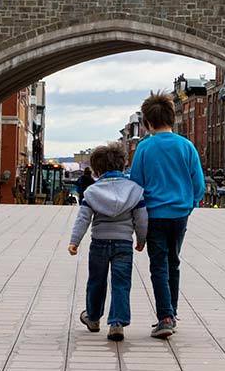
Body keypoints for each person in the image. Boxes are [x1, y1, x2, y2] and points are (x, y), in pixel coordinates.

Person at [129, 92, 205, 339]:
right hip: (180, 214)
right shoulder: (187, 147)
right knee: (174, 261)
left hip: (154, 214)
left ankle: (165, 316)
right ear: (172, 118)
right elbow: (199, 184)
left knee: (158, 264)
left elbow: (136, 183)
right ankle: (171, 312)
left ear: (147, 123)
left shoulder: (144, 147)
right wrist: (189, 204)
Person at [67, 143, 147, 342]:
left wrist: (74, 241)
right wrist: (141, 238)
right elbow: (142, 218)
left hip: (99, 243)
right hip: (123, 244)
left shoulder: (92, 192)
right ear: (122, 165)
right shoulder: (135, 191)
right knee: (121, 283)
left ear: (97, 169)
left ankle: (93, 318)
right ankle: (117, 323)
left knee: (96, 281)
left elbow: (83, 218)